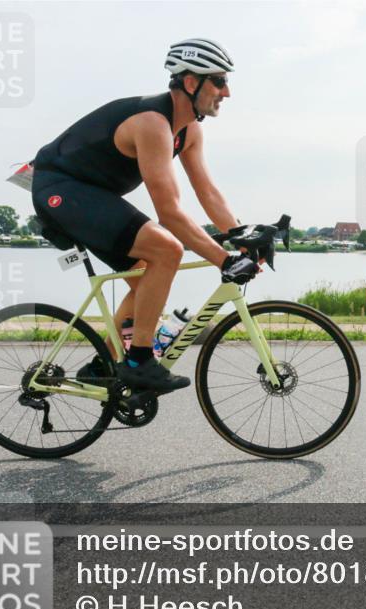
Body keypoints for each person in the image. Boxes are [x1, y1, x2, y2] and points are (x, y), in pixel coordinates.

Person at [30, 38, 258, 394]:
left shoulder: (188, 131)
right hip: (60, 189)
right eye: (219, 81)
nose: (226, 92)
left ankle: (102, 367)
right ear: (190, 82)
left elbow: (208, 193)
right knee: (166, 249)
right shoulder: (152, 123)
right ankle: (139, 361)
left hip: (93, 195)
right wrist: (224, 260)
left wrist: (244, 237)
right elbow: (169, 212)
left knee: (144, 278)